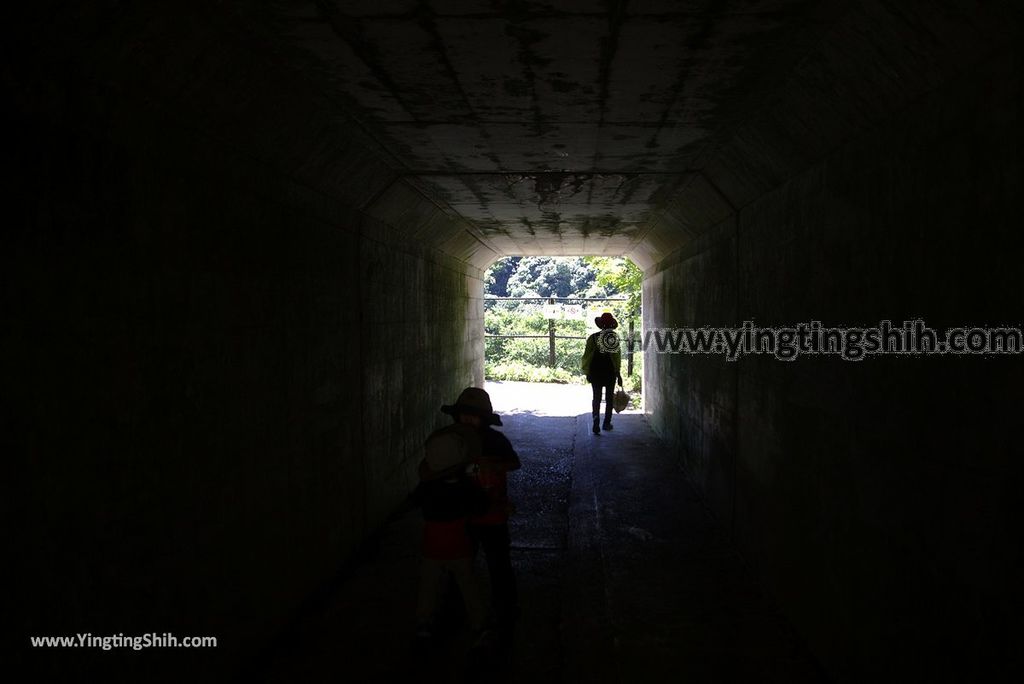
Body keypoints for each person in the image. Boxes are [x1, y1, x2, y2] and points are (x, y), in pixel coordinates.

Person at [428, 387, 521, 647]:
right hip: (463, 514)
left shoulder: (496, 441)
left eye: (474, 416)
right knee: (461, 563)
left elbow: (515, 463)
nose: (468, 420)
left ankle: (506, 605)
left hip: (493, 513)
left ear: (484, 418)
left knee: (498, 562)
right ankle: (457, 608)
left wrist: (495, 465)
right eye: (464, 415)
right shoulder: (451, 440)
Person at [413, 423, 491, 641]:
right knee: (468, 584)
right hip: (459, 544)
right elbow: (482, 507)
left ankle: (423, 623)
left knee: (428, 585)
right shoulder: (466, 487)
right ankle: (479, 624)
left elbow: (415, 501)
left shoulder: (428, 488)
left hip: (432, 544)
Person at [581, 312, 623, 434]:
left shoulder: (593, 338)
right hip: (609, 372)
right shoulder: (613, 338)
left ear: (600, 325)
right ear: (611, 325)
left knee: (596, 398)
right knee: (609, 399)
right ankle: (606, 423)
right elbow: (616, 358)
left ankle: (595, 421)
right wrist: (618, 374)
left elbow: (586, 356)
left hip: (595, 371)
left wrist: (587, 371)